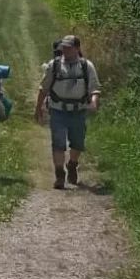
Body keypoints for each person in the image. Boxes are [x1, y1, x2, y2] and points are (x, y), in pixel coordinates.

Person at [35, 35, 101, 189]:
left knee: (77, 143)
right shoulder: (55, 65)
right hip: (58, 110)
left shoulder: (87, 66)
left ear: (77, 48)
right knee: (58, 142)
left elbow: (94, 88)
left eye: (69, 47)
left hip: (78, 111)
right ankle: (59, 174)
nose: (65, 50)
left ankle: (72, 164)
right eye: (64, 47)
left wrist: (94, 102)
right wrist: (38, 108)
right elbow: (43, 88)